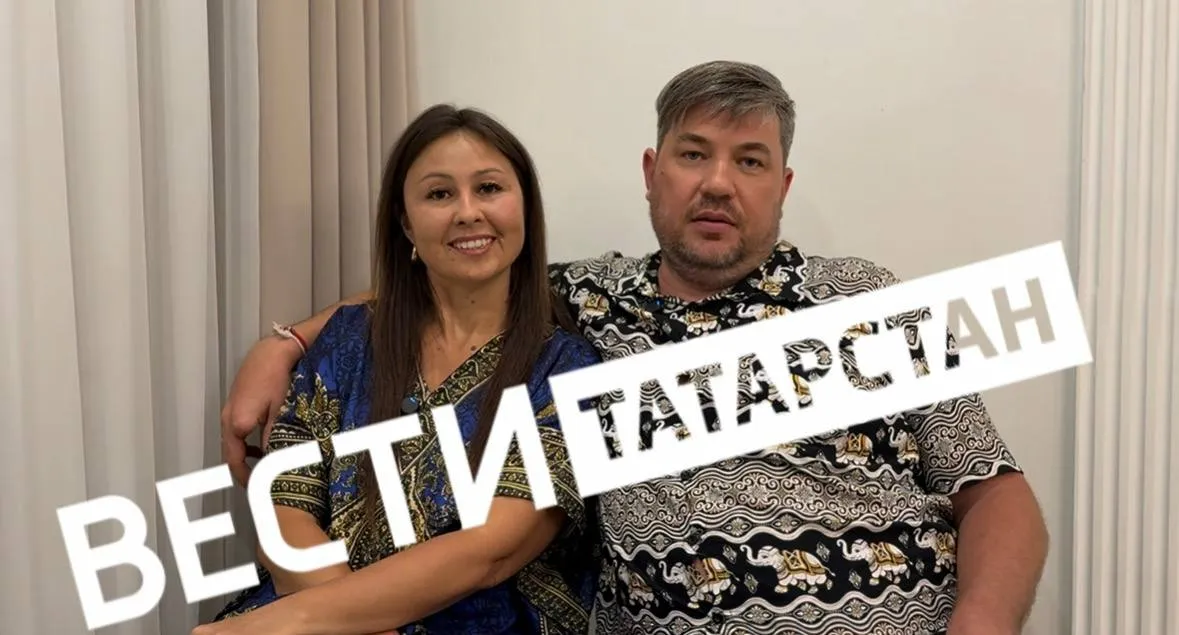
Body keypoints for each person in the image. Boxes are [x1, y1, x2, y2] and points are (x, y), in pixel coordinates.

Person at [220, 61, 1050, 635]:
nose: (717, 182)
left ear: (783, 186)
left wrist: (978, 625)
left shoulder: (866, 299)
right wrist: (286, 341)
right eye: (693, 154)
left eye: (749, 160)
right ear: (652, 172)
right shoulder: (586, 304)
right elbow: (453, 269)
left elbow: (995, 492)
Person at [198, 104, 600, 635]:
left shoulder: (565, 367)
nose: (467, 212)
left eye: (488, 188)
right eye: (439, 194)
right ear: (406, 222)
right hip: (310, 609)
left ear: (524, 204)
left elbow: (492, 551)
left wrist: (312, 620)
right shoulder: (348, 340)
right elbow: (285, 512)